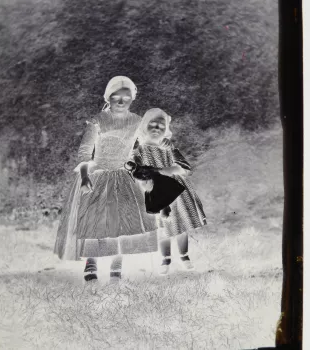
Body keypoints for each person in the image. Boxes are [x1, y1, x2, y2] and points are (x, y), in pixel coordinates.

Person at [54, 77, 165, 282]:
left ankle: (116, 265)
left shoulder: (137, 121)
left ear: (132, 98)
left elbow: (146, 144)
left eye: (126, 98)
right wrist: (86, 176)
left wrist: (144, 166)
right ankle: (92, 263)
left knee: (122, 222)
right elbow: (85, 151)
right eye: (116, 97)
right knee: (97, 221)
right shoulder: (97, 121)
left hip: (124, 177)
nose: (121, 102)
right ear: (108, 97)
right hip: (98, 176)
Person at [130, 108, 207, 275]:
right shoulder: (140, 150)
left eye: (161, 125)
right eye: (152, 124)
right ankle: (165, 259)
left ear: (166, 129)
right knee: (163, 227)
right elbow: (138, 172)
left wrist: (162, 169)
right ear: (144, 126)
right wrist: (147, 174)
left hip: (177, 191)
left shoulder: (168, 147)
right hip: (156, 192)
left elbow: (184, 167)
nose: (156, 128)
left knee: (181, 225)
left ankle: (184, 257)